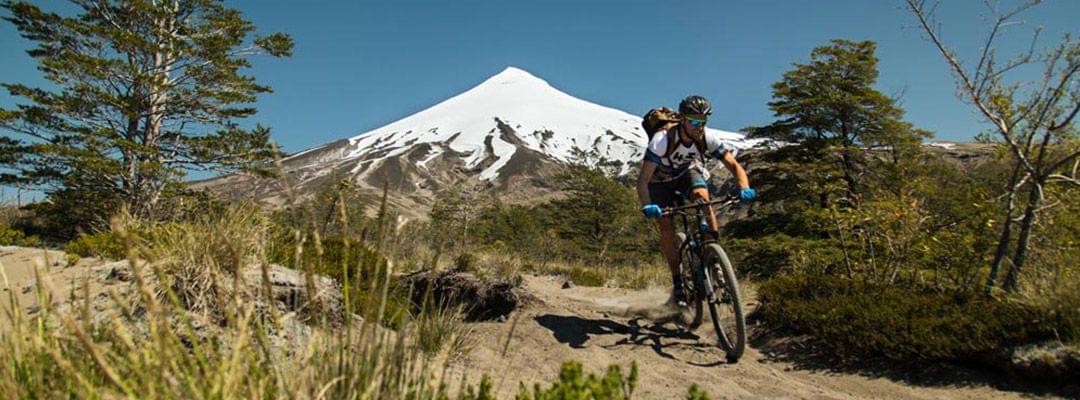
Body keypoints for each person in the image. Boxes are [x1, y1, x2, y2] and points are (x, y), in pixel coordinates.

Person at [635, 95, 755, 316]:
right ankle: (678, 282)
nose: (700, 126)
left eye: (704, 121)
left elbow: (733, 165)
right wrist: (647, 205)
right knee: (666, 225)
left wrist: (744, 186)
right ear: (682, 120)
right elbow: (642, 181)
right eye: (694, 121)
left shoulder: (707, 138)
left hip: (686, 173)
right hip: (659, 181)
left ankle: (714, 257)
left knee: (703, 198)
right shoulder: (661, 140)